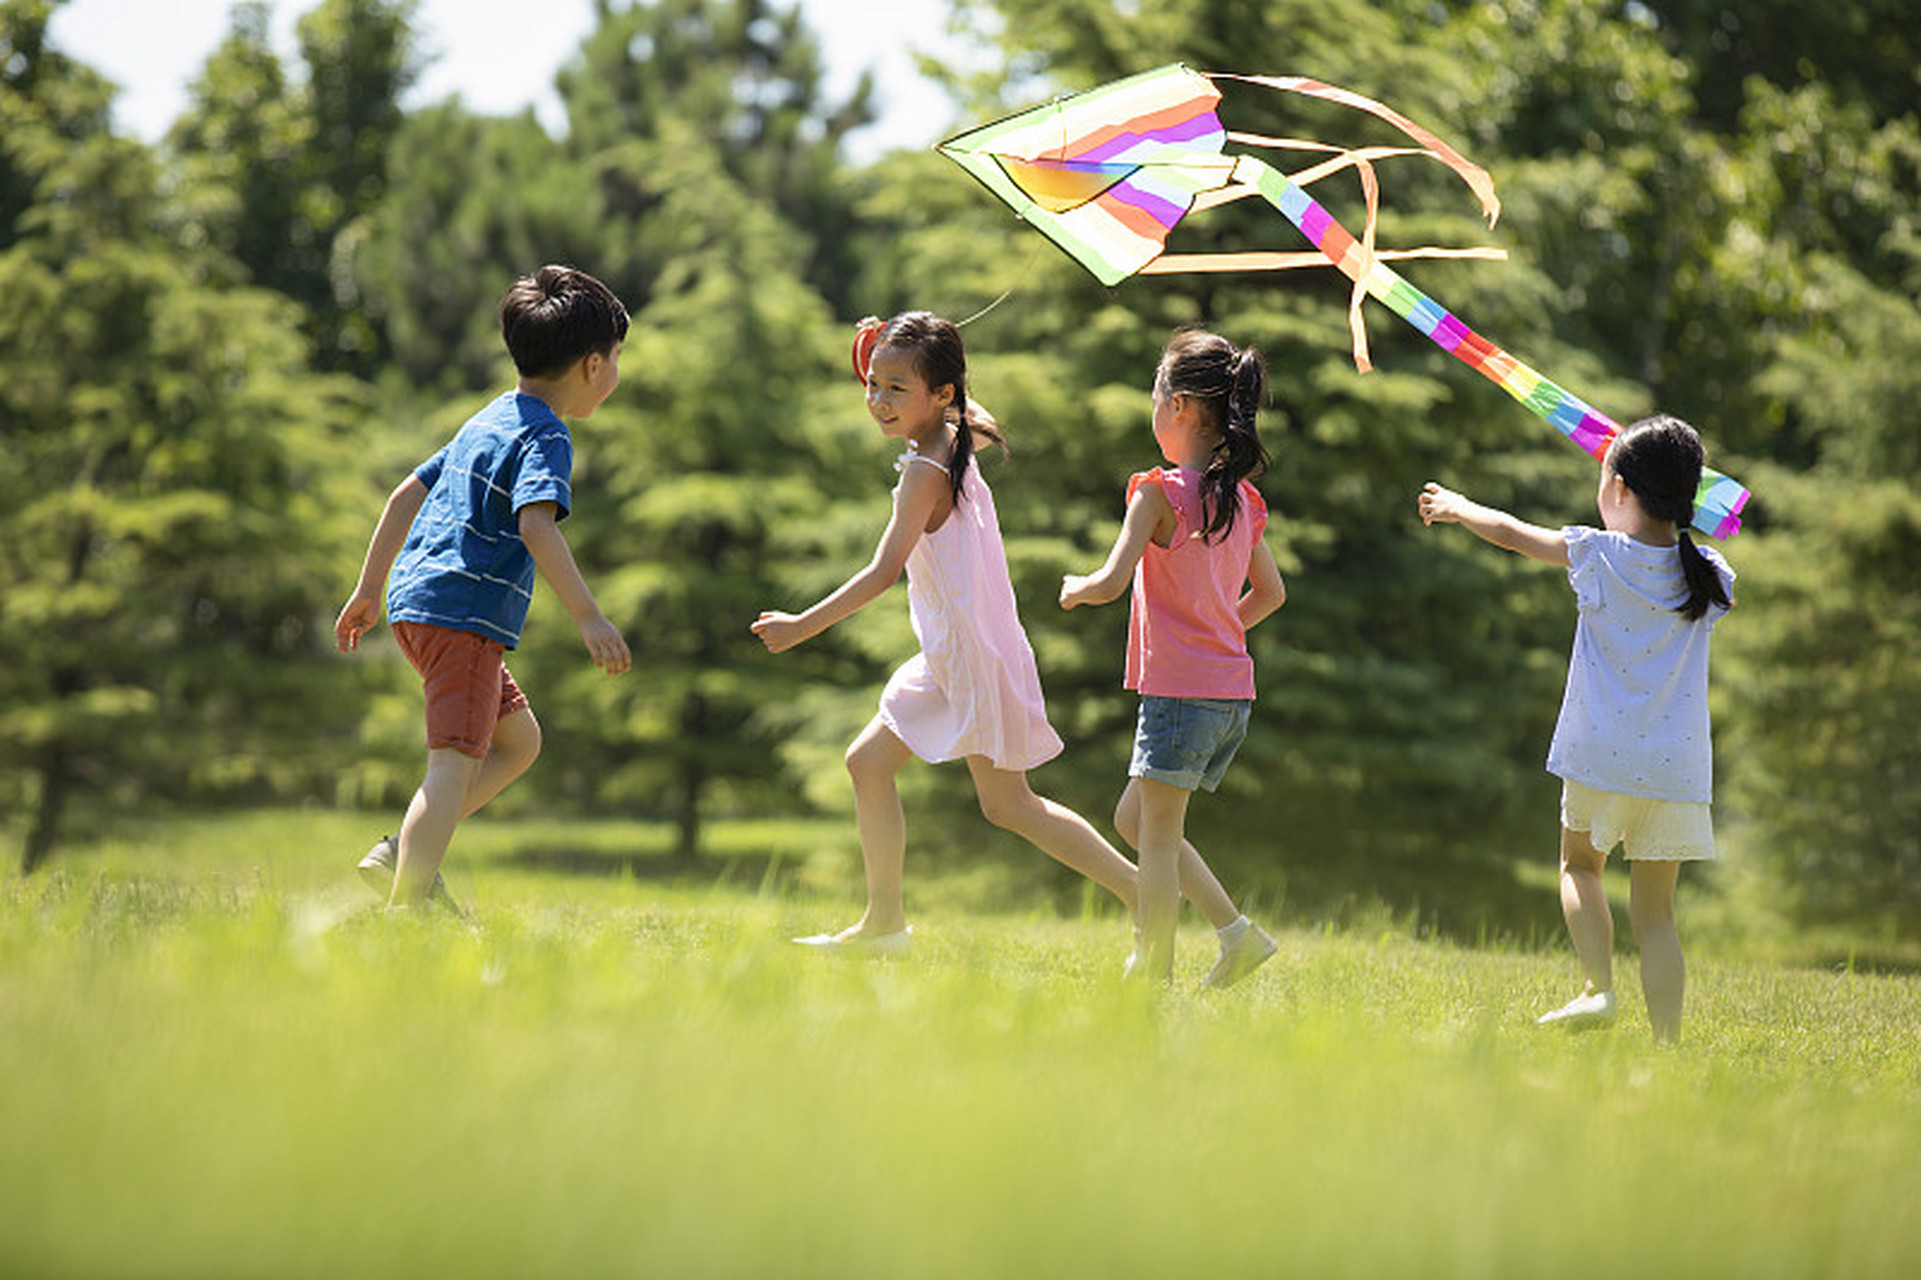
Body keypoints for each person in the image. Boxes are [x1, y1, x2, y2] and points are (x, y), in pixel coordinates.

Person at [752, 311, 1143, 953]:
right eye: (873, 383)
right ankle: (884, 923)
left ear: (942, 394)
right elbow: (978, 414)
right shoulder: (958, 435)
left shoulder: (926, 470)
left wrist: (802, 625)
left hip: (969, 655)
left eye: (896, 388)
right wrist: (906, 352)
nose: (878, 400)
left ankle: (1143, 892)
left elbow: (883, 571)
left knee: (1009, 805)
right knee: (868, 763)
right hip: (955, 650)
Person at [1417, 414, 1735, 1042]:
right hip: (1674, 768)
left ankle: (1598, 990)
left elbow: (1511, 533)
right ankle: (1667, 1044)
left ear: (1618, 489)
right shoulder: (1711, 573)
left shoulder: (1597, 554)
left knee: (1581, 868)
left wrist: (1459, 506)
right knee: (1657, 915)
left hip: (1601, 755)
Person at [335, 265, 633, 910]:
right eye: (615, 358)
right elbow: (536, 526)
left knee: (519, 741)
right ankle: (407, 909)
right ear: (592, 365)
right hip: (462, 616)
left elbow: (404, 494)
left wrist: (368, 589)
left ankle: (403, 851)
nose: (616, 372)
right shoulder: (546, 433)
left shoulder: (490, 417)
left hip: (418, 603)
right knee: (453, 763)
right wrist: (590, 617)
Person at [1059, 329, 1288, 987]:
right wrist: (1218, 633)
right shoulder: (1241, 500)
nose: (1153, 409)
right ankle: (1237, 936)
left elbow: (1109, 582)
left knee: (1155, 837)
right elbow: (1270, 594)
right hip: (1228, 696)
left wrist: (1077, 588)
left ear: (1180, 407)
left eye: (1156, 397)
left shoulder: (1157, 494)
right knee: (1136, 821)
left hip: (1180, 695)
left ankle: (1152, 970)